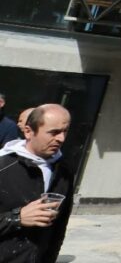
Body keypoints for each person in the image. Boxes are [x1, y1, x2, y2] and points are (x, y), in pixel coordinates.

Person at [0, 104, 74, 263]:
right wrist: (16, 218)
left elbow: (59, 228)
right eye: (53, 132)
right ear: (28, 131)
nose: (61, 139)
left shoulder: (63, 170)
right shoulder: (3, 166)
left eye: (65, 131)